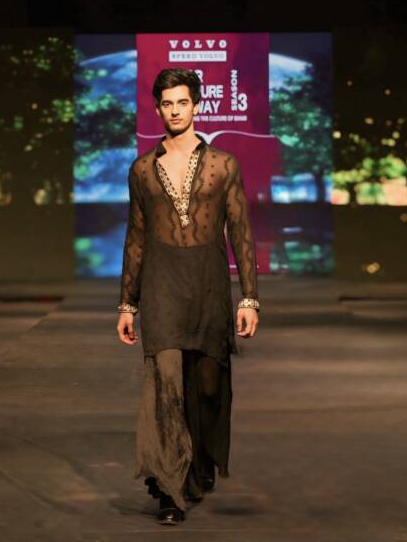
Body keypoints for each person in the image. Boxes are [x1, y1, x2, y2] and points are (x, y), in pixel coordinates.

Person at [116, 68, 259, 525]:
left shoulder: (223, 164)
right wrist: (127, 303)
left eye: (182, 102)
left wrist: (249, 298)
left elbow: (240, 232)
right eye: (167, 103)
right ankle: (169, 489)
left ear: (196, 105)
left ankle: (197, 466)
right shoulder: (141, 169)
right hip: (161, 286)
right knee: (166, 385)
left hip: (208, 285)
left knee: (208, 385)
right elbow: (136, 238)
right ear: (157, 108)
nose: (175, 110)